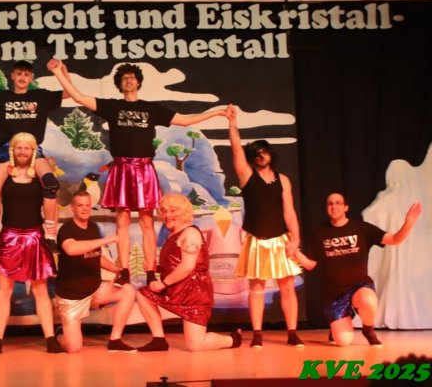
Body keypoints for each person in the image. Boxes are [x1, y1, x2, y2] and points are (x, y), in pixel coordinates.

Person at [49, 60, 233, 286]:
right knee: (122, 222)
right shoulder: (112, 107)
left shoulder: (151, 109)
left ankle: (150, 270)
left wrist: (217, 112)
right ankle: (124, 270)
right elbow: (78, 97)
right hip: (122, 168)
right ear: (120, 84)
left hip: (144, 169)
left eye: (132, 77)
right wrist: (58, 72)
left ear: (138, 83)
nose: (129, 80)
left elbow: (185, 120)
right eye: (124, 78)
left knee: (147, 222)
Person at [0, 60, 69, 256]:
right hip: (8, 149)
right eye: (19, 74)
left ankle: (50, 234)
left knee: (51, 183)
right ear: (12, 75)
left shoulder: (40, 96)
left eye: (26, 74)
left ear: (31, 78)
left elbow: (68, 93)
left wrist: (61, 71)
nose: (22, 77)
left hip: (32, 148)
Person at [292, 192, 422, 347]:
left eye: (338, 203)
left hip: (358, 287)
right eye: (330, 203)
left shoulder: (361, 228)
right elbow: (310, 264)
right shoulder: (319, 232)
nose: (334, 206)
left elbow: (394, 239)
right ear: (327, 208)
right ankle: (338, 324)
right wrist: (294, 252)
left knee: (368, 300)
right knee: (343, 342)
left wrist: (408, 224)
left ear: (346, 207)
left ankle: (368, 330)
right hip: (334, 295)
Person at [228, 110, 303, 348]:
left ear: (271, 154)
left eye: (264, 151)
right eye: (256, 153)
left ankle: (292, 333)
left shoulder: (283, 180)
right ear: (252, 157)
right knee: (257, 288)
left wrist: (295, 240)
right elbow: (236, 149)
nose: (261, 155)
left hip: (281, 239)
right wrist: (232, 123)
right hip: (257, 239)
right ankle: (257, 334)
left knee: (287, 287)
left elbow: (289, 212)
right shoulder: (246, 175)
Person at [0, 132, 61, 355]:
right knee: (4, 291)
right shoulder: (5, 174)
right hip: (9, 237)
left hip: (35, 237)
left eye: (27, 148)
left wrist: (51, 228)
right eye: (19, 148)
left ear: (33, 151)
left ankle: (50, 340)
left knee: (40, 291)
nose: (23, 152)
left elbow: (52, 203)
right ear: (13, 150)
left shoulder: (40, 176)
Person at [137, 193, 242, 352]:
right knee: (144, 294)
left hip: (194, 293)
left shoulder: (190, 233)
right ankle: (159, 339)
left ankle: (232, 340)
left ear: (184, 212)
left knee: (195, 345)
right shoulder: (173, 234)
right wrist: (157, 268)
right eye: (164, 211)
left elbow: (187, 266)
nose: (167, 215)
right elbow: (176, 263)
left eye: (172, 211)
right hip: (175, 289)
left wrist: (163, 283)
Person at [54, 190, 137, 353]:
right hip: (72, 297)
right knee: (74, 347)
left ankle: (115, 339)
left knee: (127, 291)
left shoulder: (93, 227)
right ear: (72, 207)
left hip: (95, 291)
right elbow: (72, 249)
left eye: (87, 205)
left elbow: (94, 255)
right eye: (80, 205)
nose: (84, 209)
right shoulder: (66, 230)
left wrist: (114, 268)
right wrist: (106, 240)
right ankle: (59, 334)